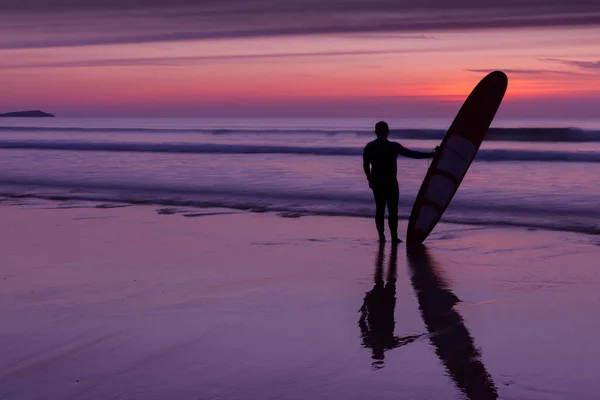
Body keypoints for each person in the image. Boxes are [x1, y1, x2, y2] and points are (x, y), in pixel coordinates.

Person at [363, 121, 437, 243]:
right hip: (391, 183)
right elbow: (412, 154)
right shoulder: (393, 146)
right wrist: (430, 155)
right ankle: (394, 237)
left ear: (376, 132)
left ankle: (381, 237)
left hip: (377, 183)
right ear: (388, 132)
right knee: (393, 211)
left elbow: (365, 165)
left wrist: (369, 179)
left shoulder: (369, 147)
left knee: (380, 209)